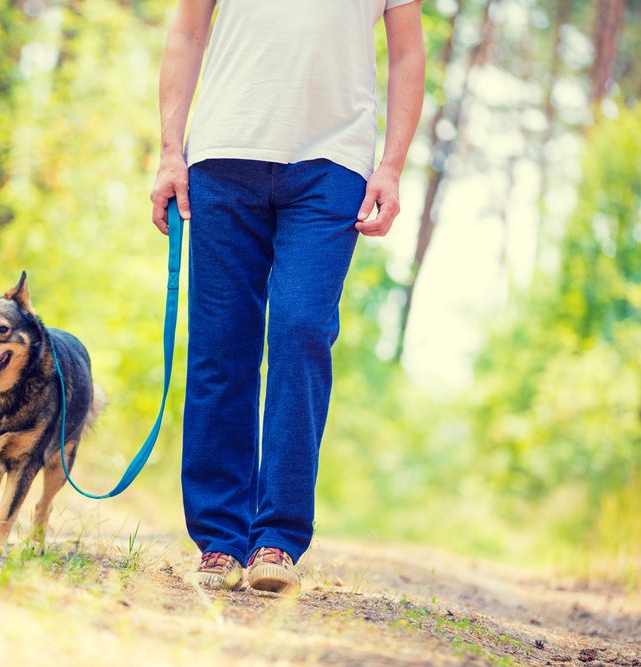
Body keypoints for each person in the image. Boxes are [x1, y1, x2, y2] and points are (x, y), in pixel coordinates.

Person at [150, 0, 425, 593]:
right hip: (225, 152)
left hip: (333, 165)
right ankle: (220, 540)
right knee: (222, 345)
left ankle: (277, 536)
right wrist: (171, 151)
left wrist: (393, 165)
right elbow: (187, 31)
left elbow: (407, 53)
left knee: (302, 331)